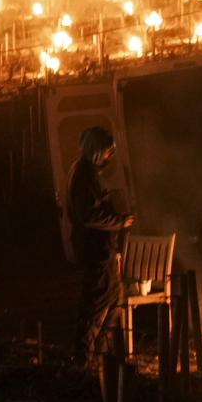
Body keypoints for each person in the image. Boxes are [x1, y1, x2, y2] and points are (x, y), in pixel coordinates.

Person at [68, 126, 130, 368]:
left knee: (115, 303)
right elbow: (89, 215)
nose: (110, 156)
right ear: (97, 150)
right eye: (108, 151)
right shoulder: (84, 175)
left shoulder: (86, 172)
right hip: (96, 251)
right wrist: (120, 221)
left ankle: (101, 361)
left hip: (102, 251)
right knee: (96, 306)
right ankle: (83, 362)